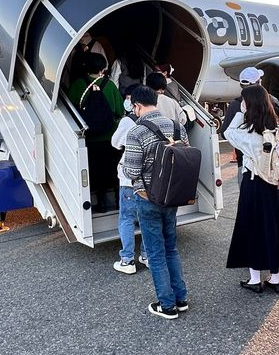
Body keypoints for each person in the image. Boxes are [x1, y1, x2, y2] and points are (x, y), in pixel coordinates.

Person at [122, 85, 189, 319]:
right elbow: (183, 158)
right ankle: (181, 298)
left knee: (155, 252)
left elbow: (131, 170)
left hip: (147, 197)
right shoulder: (177, 127)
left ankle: (166, 305)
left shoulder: (137, 132)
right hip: (172, 197)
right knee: (171, 247)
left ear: (137, 106)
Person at [224, 85, 279, 294]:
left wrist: (240, 113)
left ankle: (255, 279)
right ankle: (276, 279)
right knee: (276, 230)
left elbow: (228, 132)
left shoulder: (248, 133)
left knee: (253, 230)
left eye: (244, 101)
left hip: (256, 186)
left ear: (249, 105)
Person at [68, 52, 123, 212]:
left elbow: (71, 110)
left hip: (90, 137)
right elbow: (119, 110)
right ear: (103, 68)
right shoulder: (110, 85)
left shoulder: (78, 84)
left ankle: (102, 203)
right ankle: (119, 201)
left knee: (95, 171)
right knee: (114, 170)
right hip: (111, 136)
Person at [220, 67, 279, 185]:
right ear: (258, 84)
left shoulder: (236, 105)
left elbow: (225, 132)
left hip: (247, 166)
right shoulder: (272, 100)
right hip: (275, 165)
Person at [110, 85, 147, 274]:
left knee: (126, 218)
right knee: (147, 219)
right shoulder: (160, 119)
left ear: (134, 102)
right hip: (150, 179)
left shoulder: (128, 120)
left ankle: (127, 260)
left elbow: (115, 143)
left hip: (129, 179)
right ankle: (147, 256)